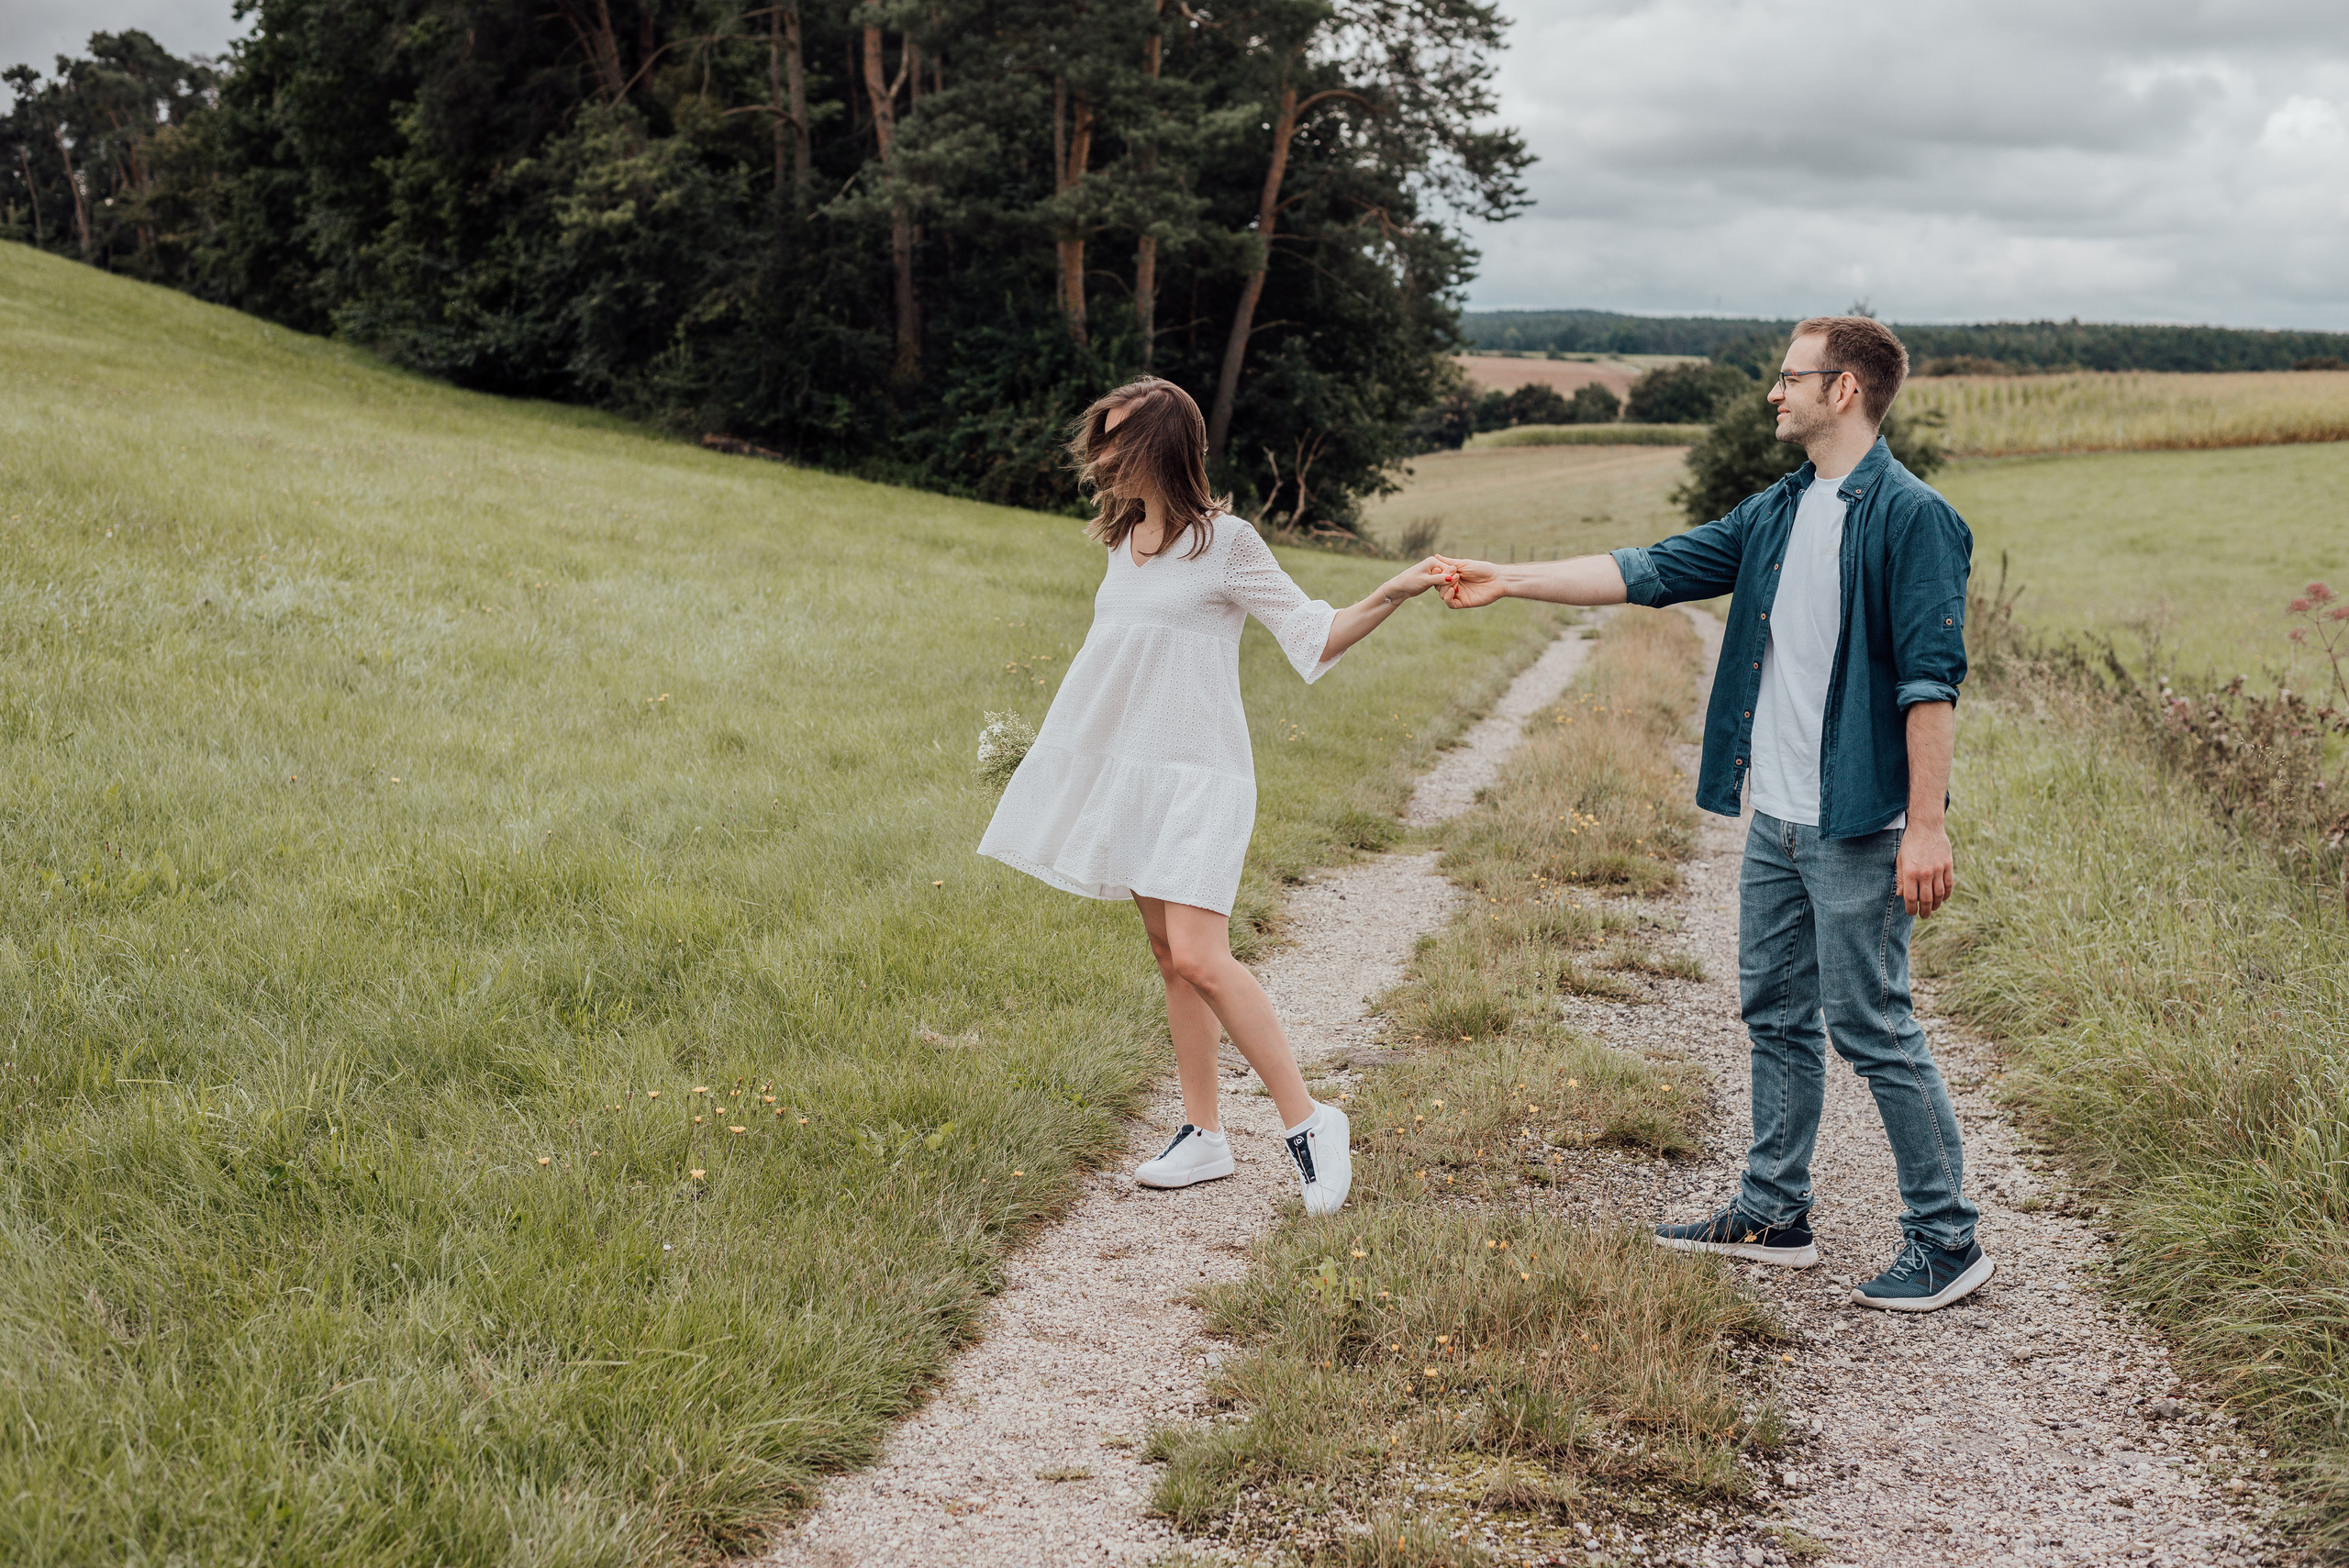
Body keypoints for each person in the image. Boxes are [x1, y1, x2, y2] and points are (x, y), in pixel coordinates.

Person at [1436, 317, 1992, 1313]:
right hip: (1776, 816)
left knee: (1871, 1024)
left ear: (1845, 389)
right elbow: (1648, 569)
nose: (1774, 392)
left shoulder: (1913, 517)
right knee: (1774, 1013)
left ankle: (1947, 1238)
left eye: (1790, 376)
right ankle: (1773, 1211)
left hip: (1858, 821)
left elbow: (1930, 684)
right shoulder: (1778, 509)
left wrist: (1926, 824)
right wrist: (1509, 578)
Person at [978, 376, 1451, 1217]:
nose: (1102, 458)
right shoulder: (1122, 542)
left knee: (1201, 955)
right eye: (1100, 439)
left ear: (1162, 448)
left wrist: (1396, 588)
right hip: (1136, 779)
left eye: (1118, 443)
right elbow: (1113, 671)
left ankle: (1311, 1122)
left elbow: (1313, 634)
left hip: (1202, 781)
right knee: (1170, 958)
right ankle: (1204, 1135)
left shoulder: (1226, 543)